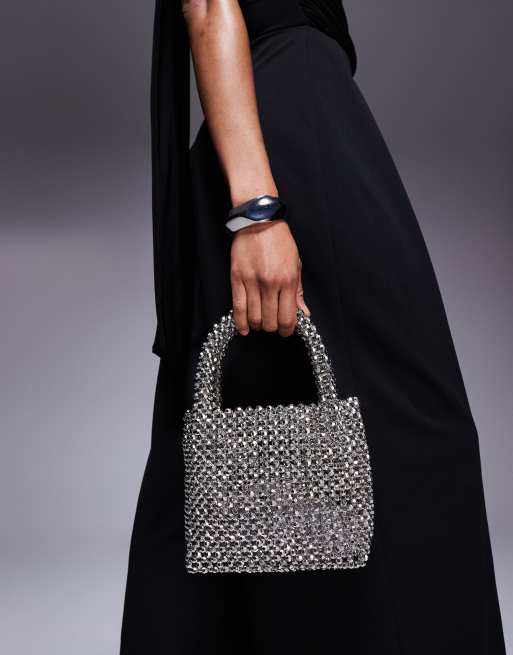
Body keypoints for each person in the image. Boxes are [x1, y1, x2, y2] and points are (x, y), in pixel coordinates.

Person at [119, 1, 506, 653]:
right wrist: (257, 215)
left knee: (254, 441)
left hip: (290, 120)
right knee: (408, 436)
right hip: (287, 138)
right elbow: (208, 7)